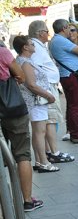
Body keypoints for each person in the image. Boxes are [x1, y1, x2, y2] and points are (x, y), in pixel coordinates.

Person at [0, 43, 42, 211]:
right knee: (22, 154)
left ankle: (4, 207)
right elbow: (21, 76)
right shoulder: (3, 52)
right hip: (13, 110)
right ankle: (27, 200)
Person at [28, 20, 72, 164]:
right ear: (40, 33)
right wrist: (46, 91)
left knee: (48, 122)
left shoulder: (39, 46)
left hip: (47, 87)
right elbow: (35, 69)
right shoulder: (36, 47)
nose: (48, 34)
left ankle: (49, 152)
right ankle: (53, 152)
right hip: (46, 88)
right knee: (50, 121)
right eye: (47, 31)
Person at [12, 35, 59, 174]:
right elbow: (32, 84)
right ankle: (43, 162)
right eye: (31, 44)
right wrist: (48, 95)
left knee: (39, 131)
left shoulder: (24, 60)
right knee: (40, 132)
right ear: (25, 47)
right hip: (35, 101)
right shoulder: (25, 62)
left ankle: (40, 160)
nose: (34, 46)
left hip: (35, 101)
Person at [49, 18, 78, 144]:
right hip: (71, 76)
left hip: (69, 75)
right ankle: (76, 134)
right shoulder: (60, 40)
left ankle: (74, 132)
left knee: (72, 105)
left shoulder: (57, 40)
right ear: (64, 28)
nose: (71, 31)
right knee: (76, 106)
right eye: (69, 28)